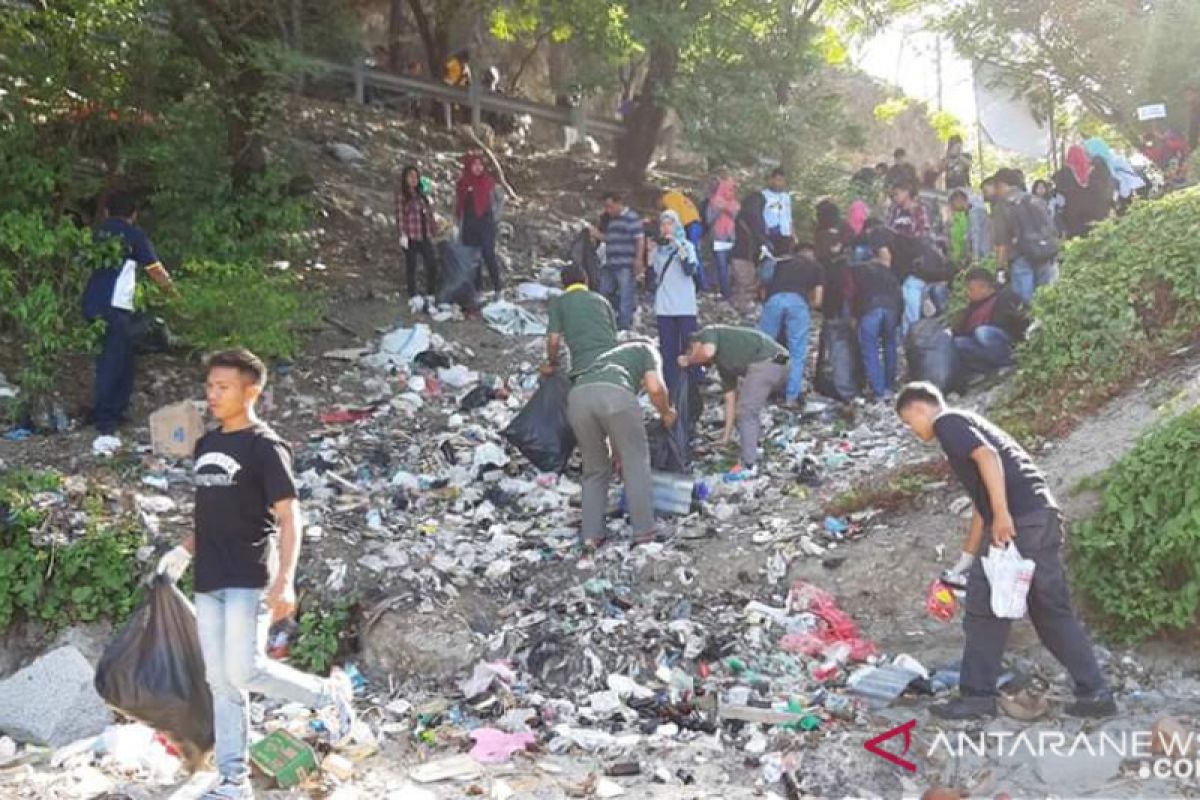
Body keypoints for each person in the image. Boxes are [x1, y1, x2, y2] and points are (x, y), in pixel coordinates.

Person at [155, 349, 355, 800]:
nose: (212, 395)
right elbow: (212, 514)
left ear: (252, 391)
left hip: (250, 575)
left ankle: (327, 695)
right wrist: (183, 552)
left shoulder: (266, 447)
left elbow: (289, 518)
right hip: (209, 576)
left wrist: (285, 580)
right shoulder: (206, 445)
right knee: (221, 682)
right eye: (209, 386)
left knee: (244, 670)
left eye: (223, 387)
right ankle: (232, 782)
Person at [894, 383, 1116, 721]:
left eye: (909, 422)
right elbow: (982, 506)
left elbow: (988, 457)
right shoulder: (968, 424)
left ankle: (977, 699)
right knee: (1051, 613)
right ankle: (1095, 693)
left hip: (1018, 523)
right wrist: (965, 561)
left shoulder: (947, 422)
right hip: (1041, 517)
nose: (912, 430)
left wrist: (1003, 514)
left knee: (984, 612)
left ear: (920, 409)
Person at [84, 191, 177, 442]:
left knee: (121, 358)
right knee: (113, 361)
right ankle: (106, 419)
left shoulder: (97, 233)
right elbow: (154, 269)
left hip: (92, 303)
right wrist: (173, 294)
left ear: (106, 212)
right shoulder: (133, 235)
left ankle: (116, 409)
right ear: (133, 215)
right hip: (115, 306)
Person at [569, 340, 676, 548]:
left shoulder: (610, 358)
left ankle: (591, 535)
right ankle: (644, 532)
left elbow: (608, 421)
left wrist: (617, 453)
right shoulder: (648, 350)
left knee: (595, 469)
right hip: (615, 396)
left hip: (577, 399)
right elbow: (655, 387)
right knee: (635, 463)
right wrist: (666, 412)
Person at [678, 325, 789, 479]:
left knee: (746, 412)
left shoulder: (708, 333)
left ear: (694, 345)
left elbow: (707, 351)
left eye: (692, 351)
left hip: (773, 358)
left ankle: (748, 465)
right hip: (780, 359)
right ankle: (754, 450)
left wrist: (688, 360)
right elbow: (730, 399)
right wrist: (725, 436)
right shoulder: (724, 365)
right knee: (747, 410)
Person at [759, 242, 823, 409]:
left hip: (774, 301)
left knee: (766, 347)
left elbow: (763, 286)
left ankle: (761, 393)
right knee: (797, 352)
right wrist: (805, 308)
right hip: (797, 302)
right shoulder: (815, 266)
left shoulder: (780, 262)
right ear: (811, 253)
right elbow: (818, 300)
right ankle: (790, 397)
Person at [845, 227, 902, 400]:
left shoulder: (856, 270)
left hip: (870, 309)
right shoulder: (888, 271)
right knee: (890, 346)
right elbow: (899, 294)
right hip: (891, 308)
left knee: (870, 349)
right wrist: (898, 316)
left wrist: (853, 316)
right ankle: (890, 386)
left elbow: (851, 294)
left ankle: (878, 391)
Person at [650, 210, 700, 396]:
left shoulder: (687, 246)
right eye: (663, 224)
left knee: (690, 345)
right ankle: (670, 386)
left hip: (685, 305)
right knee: (668, 349)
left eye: (670, 223)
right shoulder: (657, 251)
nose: (666, 227)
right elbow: (651, 276)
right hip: (664, 305)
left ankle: (693, 382)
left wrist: (678, 246)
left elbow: (689, 269)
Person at [992, 168, 1058, 303]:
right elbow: (1052, 228)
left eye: (996, 187)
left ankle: (1027, 323)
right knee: (1046, 301)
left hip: (1020, 257)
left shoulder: (1003, 205)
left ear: (1002, 185)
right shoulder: (1036, 200)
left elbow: (1002, 241)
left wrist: (1000, 268)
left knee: (1024, 303)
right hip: (1045, 254)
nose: (995, 191)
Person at [544, 262, 617, 380]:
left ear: (563, 284)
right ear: (586, 280)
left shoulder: (559, 303)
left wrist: (553, 363)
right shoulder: (603, 301)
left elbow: (553, 341)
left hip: (583, 368)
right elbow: (613, 336)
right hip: (613, 365)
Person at [952, 269, 1028, 383]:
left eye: (971, 289)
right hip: (984, 347)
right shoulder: (973, 307)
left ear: (983, 287)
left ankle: (1008, 363)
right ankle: (987, 370)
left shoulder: (1006, 297)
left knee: (983, 333)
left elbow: (1021, 320)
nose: (967, 292)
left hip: (1007, 344)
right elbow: (962, 330)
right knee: (957, 344)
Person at [589, 191, 644, 331]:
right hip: (610, 263)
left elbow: (639, 239)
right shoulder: (611, 220)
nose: (608, 210)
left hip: (625, 264)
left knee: (626, 295)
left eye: (610, 206)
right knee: (604, 292)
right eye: (606, 207)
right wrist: (597, 235)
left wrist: (638, 259)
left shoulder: (631, 218)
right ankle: (605, 322)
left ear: (619, 203)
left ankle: (624, 326)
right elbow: (610, 239)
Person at [455, 153, 504, 298]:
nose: (478, 168)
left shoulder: (488, 183)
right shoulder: (462, 183)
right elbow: (458, 205)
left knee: (488, 254)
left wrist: (495, 216)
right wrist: (457, 223)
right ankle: (478, 290)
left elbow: (500, 199)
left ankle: (498, 288)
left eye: (480, 165)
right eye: (474, 165)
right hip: (469, 224)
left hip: (486, 223)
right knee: (473, 258)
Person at [394, 165, 439, 300]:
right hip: (411, 235)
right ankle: (413, 295)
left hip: (424, 234)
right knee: (411, 266)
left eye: (416, 177)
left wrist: (434, 228)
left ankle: (431, 293)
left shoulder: (422, 194)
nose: (413, 179)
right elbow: (400, 215)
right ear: (405, 179)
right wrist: (402, 234)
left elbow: (429, 214)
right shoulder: (402, 195)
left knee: (432, 263)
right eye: (410, 177)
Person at [659, 188, 707, 289]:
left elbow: (674, 216)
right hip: (697, 224)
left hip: (689, 226)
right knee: (694, 252)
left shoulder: (667, 198)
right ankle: (701, 282)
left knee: (691, 254)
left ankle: (699, 283)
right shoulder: (679, 196)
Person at [1052, 145, 1101, 239]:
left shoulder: (1064, 172)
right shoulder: (1091, 171)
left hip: (1070, 213)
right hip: (1089, 212)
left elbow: (1058, 191)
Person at [705, 175, 739, 300]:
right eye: (730, 189)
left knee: (728, 265)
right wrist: (719, 210)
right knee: (721, 264)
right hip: (718, 237)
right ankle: (725, 292)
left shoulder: (734, 203)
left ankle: (721, 288)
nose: (732, 192)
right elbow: (709, 220)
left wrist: (726, 208)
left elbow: (736, 216)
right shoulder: (714, 201)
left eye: (733, 190)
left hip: (731, 237)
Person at [761, 168, 793, 248]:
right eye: (778, 180)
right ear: (772, 180)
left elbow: (788, 216)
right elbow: (759, 214)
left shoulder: (786, 197)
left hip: (785, 232)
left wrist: (792, 232)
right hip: (770, 231)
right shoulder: (763, 195)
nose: (780, 183)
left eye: (782, 180)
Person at [947, 189, 973, 271]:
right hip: (954, 259)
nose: (959, 203)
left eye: (961, 200)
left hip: (966, 259)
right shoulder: (952, 217)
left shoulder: (969, 216)